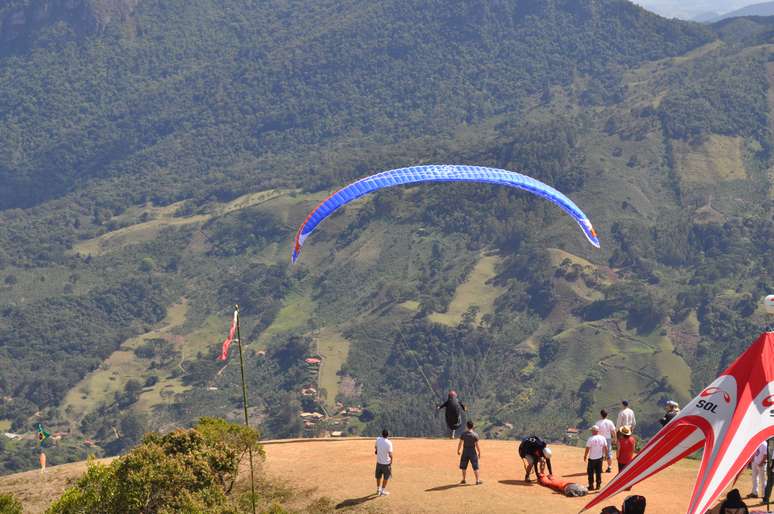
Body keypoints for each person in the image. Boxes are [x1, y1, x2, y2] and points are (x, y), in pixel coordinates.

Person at [457, 421, 482, 485]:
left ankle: (463, 479)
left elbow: (460, 443)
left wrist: (458, 450)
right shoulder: (475, 435)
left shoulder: (463, 434)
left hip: (465, 451)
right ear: (472, 426)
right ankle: (477, 480)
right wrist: (479, 452)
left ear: (466, 426)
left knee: (463, 466)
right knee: (475, 466)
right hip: (472, 452)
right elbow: (477, 445)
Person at [584, 425, 608, 491]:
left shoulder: (590, 439)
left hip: (592, 458)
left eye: (592, 430)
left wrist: (585, 456)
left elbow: (587, 448)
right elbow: (606, 447)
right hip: (600, 458)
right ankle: (598, 485)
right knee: (598, 472)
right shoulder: (603, 438)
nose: (591, 431)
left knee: (590, 473)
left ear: (594, 431)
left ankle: (591, 486)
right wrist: (606, 455)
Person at [374, 429, 393, 496]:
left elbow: (375, 449)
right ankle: (382, 491)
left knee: (378, 477)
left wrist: (377, 451)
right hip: (386, 464)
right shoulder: (389, 443)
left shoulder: (378, 439)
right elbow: (390, 454)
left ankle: (378, 489)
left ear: (382, 434)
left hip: (379, 463)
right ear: (388, 435)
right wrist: (391, 463)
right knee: (386, 478)